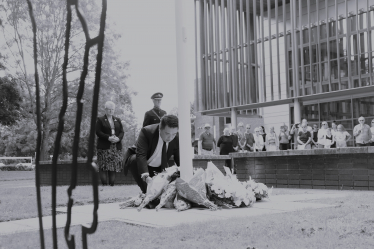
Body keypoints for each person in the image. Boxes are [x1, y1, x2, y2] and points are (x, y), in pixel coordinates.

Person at [124, 115, 180, 196]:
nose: (170, 137)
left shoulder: (176, 138)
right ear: (160, 128)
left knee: (163, 191)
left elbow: (179, 160)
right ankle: (146, 193)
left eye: (174, 134)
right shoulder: (147, 132)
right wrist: (146, 176)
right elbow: (141, 155)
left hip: (159, 166)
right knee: (150, 193)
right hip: (140, 163)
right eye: (167, 133)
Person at [95, 101, 124, 186]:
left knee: (113, 167)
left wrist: (118, 138)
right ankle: (104, 185)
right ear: (105, 109)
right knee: (103, 167)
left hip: (115, 147)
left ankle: (112, 185)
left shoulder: (117, 120)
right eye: (109, 109)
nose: (111, 111)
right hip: (104, 147)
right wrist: (108, 137)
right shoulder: (100, 120)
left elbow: (122, 132)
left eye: (112, 109)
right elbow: (98, 132)